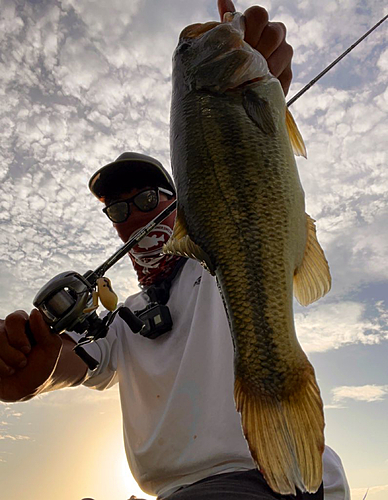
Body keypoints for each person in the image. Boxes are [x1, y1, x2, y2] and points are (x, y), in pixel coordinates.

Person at [0, 1, 350, 499]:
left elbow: (246, 191)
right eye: (118, 211)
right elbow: (77, 362)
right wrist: (34, 374)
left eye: (147, 199)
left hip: (271, 483)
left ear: (180, 202)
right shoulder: (125, 321)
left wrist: (258, 86)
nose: (135, 217)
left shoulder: (211, 271)